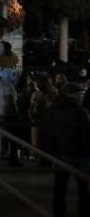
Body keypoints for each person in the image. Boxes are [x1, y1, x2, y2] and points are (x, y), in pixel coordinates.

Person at [42, 82, 90, 217]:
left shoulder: (52, 109)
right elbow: (85, 134)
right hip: (79, 155)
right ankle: (84, 212)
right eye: (80, 94)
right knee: (83, 188)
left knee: (59, 186)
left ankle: (58, 211)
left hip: (59, 155)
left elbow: (47, 132)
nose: (82, 96)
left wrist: (50, 151)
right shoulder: (80, 112)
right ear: (73, 95)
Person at [0, 68, 22, 165]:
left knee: (5, 135)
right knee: (13, 137)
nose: (14, 77)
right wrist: (16, 113)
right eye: (12, 74)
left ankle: (4, 153)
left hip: (0, 113)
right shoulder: (9, 86)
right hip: (9, 114)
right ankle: (13, 157)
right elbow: (10, 100)